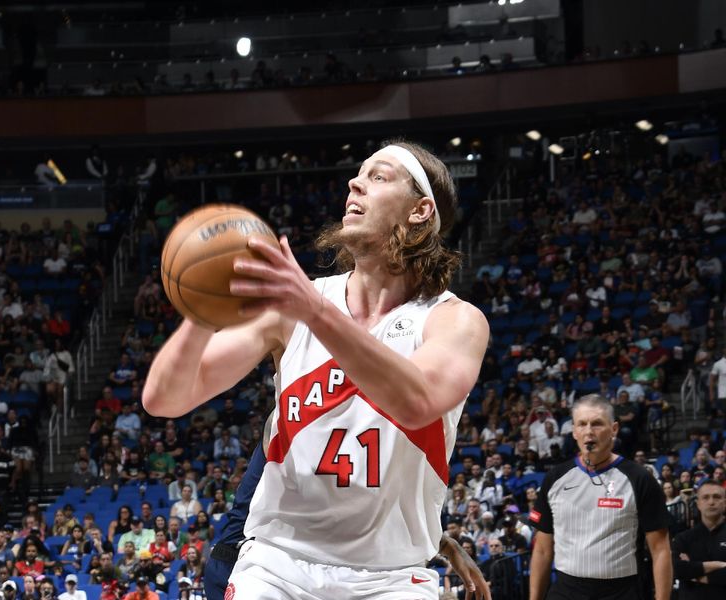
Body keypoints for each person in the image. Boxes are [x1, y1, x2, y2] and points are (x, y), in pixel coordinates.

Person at [144, 140, 489, 598]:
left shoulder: (454, 320)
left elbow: (417, 400)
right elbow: (164, 398)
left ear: (420, 211)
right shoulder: (294, 306)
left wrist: (312, 311)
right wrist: (202, 309)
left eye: (378, 176)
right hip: (278, 563)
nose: (355, 182)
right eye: (359, 174)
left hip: (390, 575)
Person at [529, 394, 671, 600]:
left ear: (613, 429)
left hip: (621, 592)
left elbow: (660, 550)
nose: (589, 432)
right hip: (566, 591)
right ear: (574, 431)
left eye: (597, 424)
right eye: (582, 424)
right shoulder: (555, 478)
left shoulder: (639, 478)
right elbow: (542, 550)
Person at [671, 480, 726, 599]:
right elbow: (677, 569)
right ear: (698, 504)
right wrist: (719, 565)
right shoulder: (683, 538)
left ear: (725, 503)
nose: (711, 502)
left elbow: (685, 571)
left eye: (717, 497)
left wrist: (693, 572)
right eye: (705, 497)